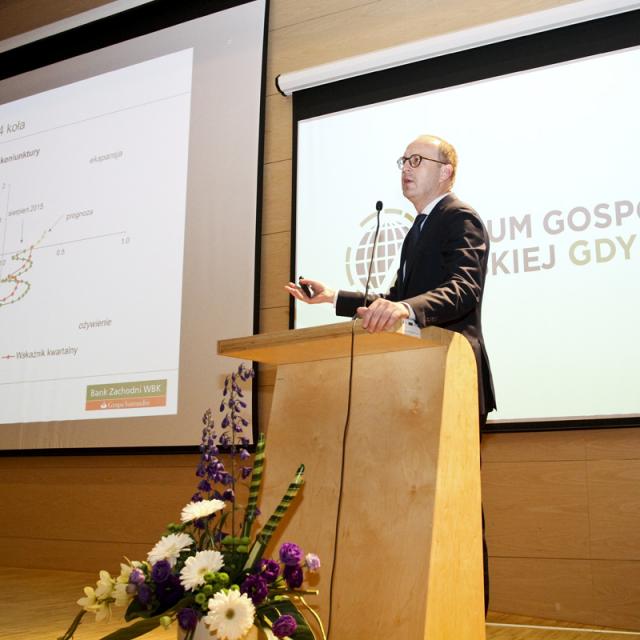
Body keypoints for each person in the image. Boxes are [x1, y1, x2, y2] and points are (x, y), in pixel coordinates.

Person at [285, 133, 496, 613]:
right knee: (416, 500)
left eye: (418, 160)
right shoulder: (415, 229)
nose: (406, 167)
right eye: (403, 160)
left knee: (457, 501)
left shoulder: (458, 217)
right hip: (417, 383)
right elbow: (395, 300)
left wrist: (406, 309)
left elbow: (463, 289)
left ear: (446, 171)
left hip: (453, 378)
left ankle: (467, 613)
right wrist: (333, 297)